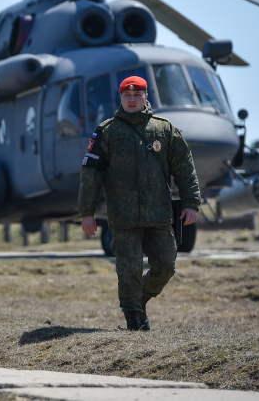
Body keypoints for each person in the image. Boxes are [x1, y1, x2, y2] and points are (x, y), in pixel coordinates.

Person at [79, 76, 200, 331]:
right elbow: (91, 174)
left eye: (137, 95)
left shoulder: (164, 129)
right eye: (127, 96)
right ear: (121, 98)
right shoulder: (107, 131)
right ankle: (134, 319)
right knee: (129, 270)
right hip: (123, 218)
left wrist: (191, 202)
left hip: (158, 215)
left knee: (166, 266)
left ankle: (138, 300)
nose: (132, 100)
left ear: (146, 97)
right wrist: (86, 212)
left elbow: (184, 167)